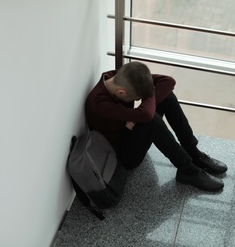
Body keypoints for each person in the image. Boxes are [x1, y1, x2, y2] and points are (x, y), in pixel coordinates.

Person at [85, 61, 227, 192]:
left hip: (129, 132)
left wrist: (136, 115)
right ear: (121, 92)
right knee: (151, 119)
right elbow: (146, 114)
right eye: (135, 99)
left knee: (167, 97)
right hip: (121, 156)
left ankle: (193, 152)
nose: (136, 101)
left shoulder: (117, 76)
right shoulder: (99, 103)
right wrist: (141, 111)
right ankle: (188, 171)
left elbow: (168, 81)